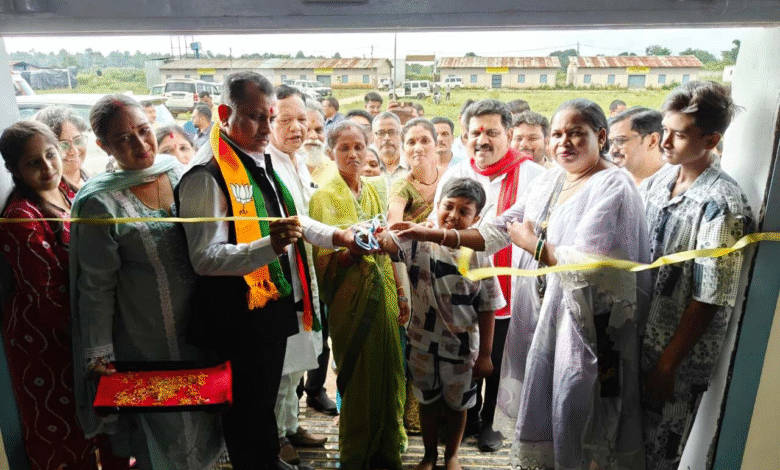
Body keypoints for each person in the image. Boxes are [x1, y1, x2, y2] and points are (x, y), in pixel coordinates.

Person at [396, 98, 650, 469]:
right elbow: (498, 230)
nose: (564, 142)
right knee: (552, 401)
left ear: (600, 136)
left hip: (590, 328)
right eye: (558, 134)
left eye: (576, 133)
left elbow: (597, 268)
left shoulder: (613, 186)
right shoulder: (552, 180)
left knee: (580, 407)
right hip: (546, 318)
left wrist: (534, 246)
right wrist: (432, 234)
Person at [176, 71, 360, 470]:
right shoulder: (207, 174)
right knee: (246, 413)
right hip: (237, 317)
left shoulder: (257, 160)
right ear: (223, 114)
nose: (265, 128)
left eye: (269, 117)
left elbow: (292, 221)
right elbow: (204, 258)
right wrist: (270, 246)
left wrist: (339, 236)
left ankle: (269, 460)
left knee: (261, 407)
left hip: (269, 308)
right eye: (255, 117)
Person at [70, 94, 223, 470]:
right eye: (124, 139)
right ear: (103, 146)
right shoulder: (100, 203)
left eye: (143, 131)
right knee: (165, 436)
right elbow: (96, 288)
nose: (140, 144)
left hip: (201, 330)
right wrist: (99, 357)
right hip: (146, 341)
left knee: (207, 422)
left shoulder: (178, 173)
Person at [0, 121, 129, 470]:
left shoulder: (72, 193)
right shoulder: (21, 218)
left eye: (50, 154)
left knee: (107, 425)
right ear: (14, 169)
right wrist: (97, 338)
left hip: (84, 328)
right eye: (33, 162)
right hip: (46, 343)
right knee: (62, 434)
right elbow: (47, 299)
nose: (47, 167)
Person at [641, 81, 754, 470]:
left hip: (675, 362)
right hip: (638, 343)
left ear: (711, 140)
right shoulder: (661, 181)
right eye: (664, 129)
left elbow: (710, 298)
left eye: (679, 134)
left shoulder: (722, 205)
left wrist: (667, 366)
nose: (664, 142)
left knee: (658, 456)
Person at [433, 99, 545, 451]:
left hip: (514, 285)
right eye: (475, 133)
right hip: (461, 288)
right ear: (465, 136)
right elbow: (440, 224)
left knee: (501, 357)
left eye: (492, 132)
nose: (482, 140)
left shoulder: (534, 176)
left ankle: (492, 423)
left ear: (509, 134)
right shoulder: (455, 175)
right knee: (465, 355)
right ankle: (466, 417)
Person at [379, 177, 505, 470]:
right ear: (437, 205)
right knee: (428, 401)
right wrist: (385, 233)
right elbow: (389, 244)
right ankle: (429, 455)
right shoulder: (418, 241)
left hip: (461, 349)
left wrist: (485, 355)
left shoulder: (477, 254)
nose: (453, 215)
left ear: (477, 219)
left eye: (464, 211)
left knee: (458, 405)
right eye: (448, 206)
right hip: (422, 342)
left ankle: (451, 456)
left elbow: (488, 307)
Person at [309, 120, 406, 470]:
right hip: (349, 301)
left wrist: (401, 292)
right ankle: (356, 456)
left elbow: (388, 244)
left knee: (389, 372)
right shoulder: (323, 197)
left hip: (385, 295)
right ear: (331, 152)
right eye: (344, 148)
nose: (353, 154)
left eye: (359, 147)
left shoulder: (374, 190)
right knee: (359, 379)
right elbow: (323, 261)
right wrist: (352, 252)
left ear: (368, 149)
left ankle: (386, 450)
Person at [265, 85, 329, 464]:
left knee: (297, 363)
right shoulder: (266, 166)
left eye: (302, 119)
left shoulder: (299, 161)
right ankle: (275, 438)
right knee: (281, 365)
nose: (296, 128)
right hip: (281, 278)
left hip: (305, 276)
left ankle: (291, 425)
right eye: (285, 119)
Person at [388, 118, 442, 225]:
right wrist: (421, 228)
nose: (418, 148)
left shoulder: (449, 176)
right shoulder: (402, 188)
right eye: (411, 142)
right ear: (403, 149)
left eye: (425, 141)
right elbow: (393, 228)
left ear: (436, 145)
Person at [608, 107, 666, 191]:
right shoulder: (611, 181)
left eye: (620, 141)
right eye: (610, 142)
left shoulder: (675, 184)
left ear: (652, 141)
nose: (612, 151)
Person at [35, 105, 91, 189]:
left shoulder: (91, 178)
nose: (74, 151)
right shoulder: (48, 191)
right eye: (63, 145)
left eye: (78, 141)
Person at [304, 101, 338, 186]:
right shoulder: (280, 169)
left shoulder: (334, 171)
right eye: (306, 130)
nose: (313, 136)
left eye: (318, 130)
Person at [373, 111, 409, 188]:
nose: (387, 138)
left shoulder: (411, 165)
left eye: (392, 132)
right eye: (380, 133)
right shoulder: (367, 169)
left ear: (401, 135)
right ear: (373, 137)